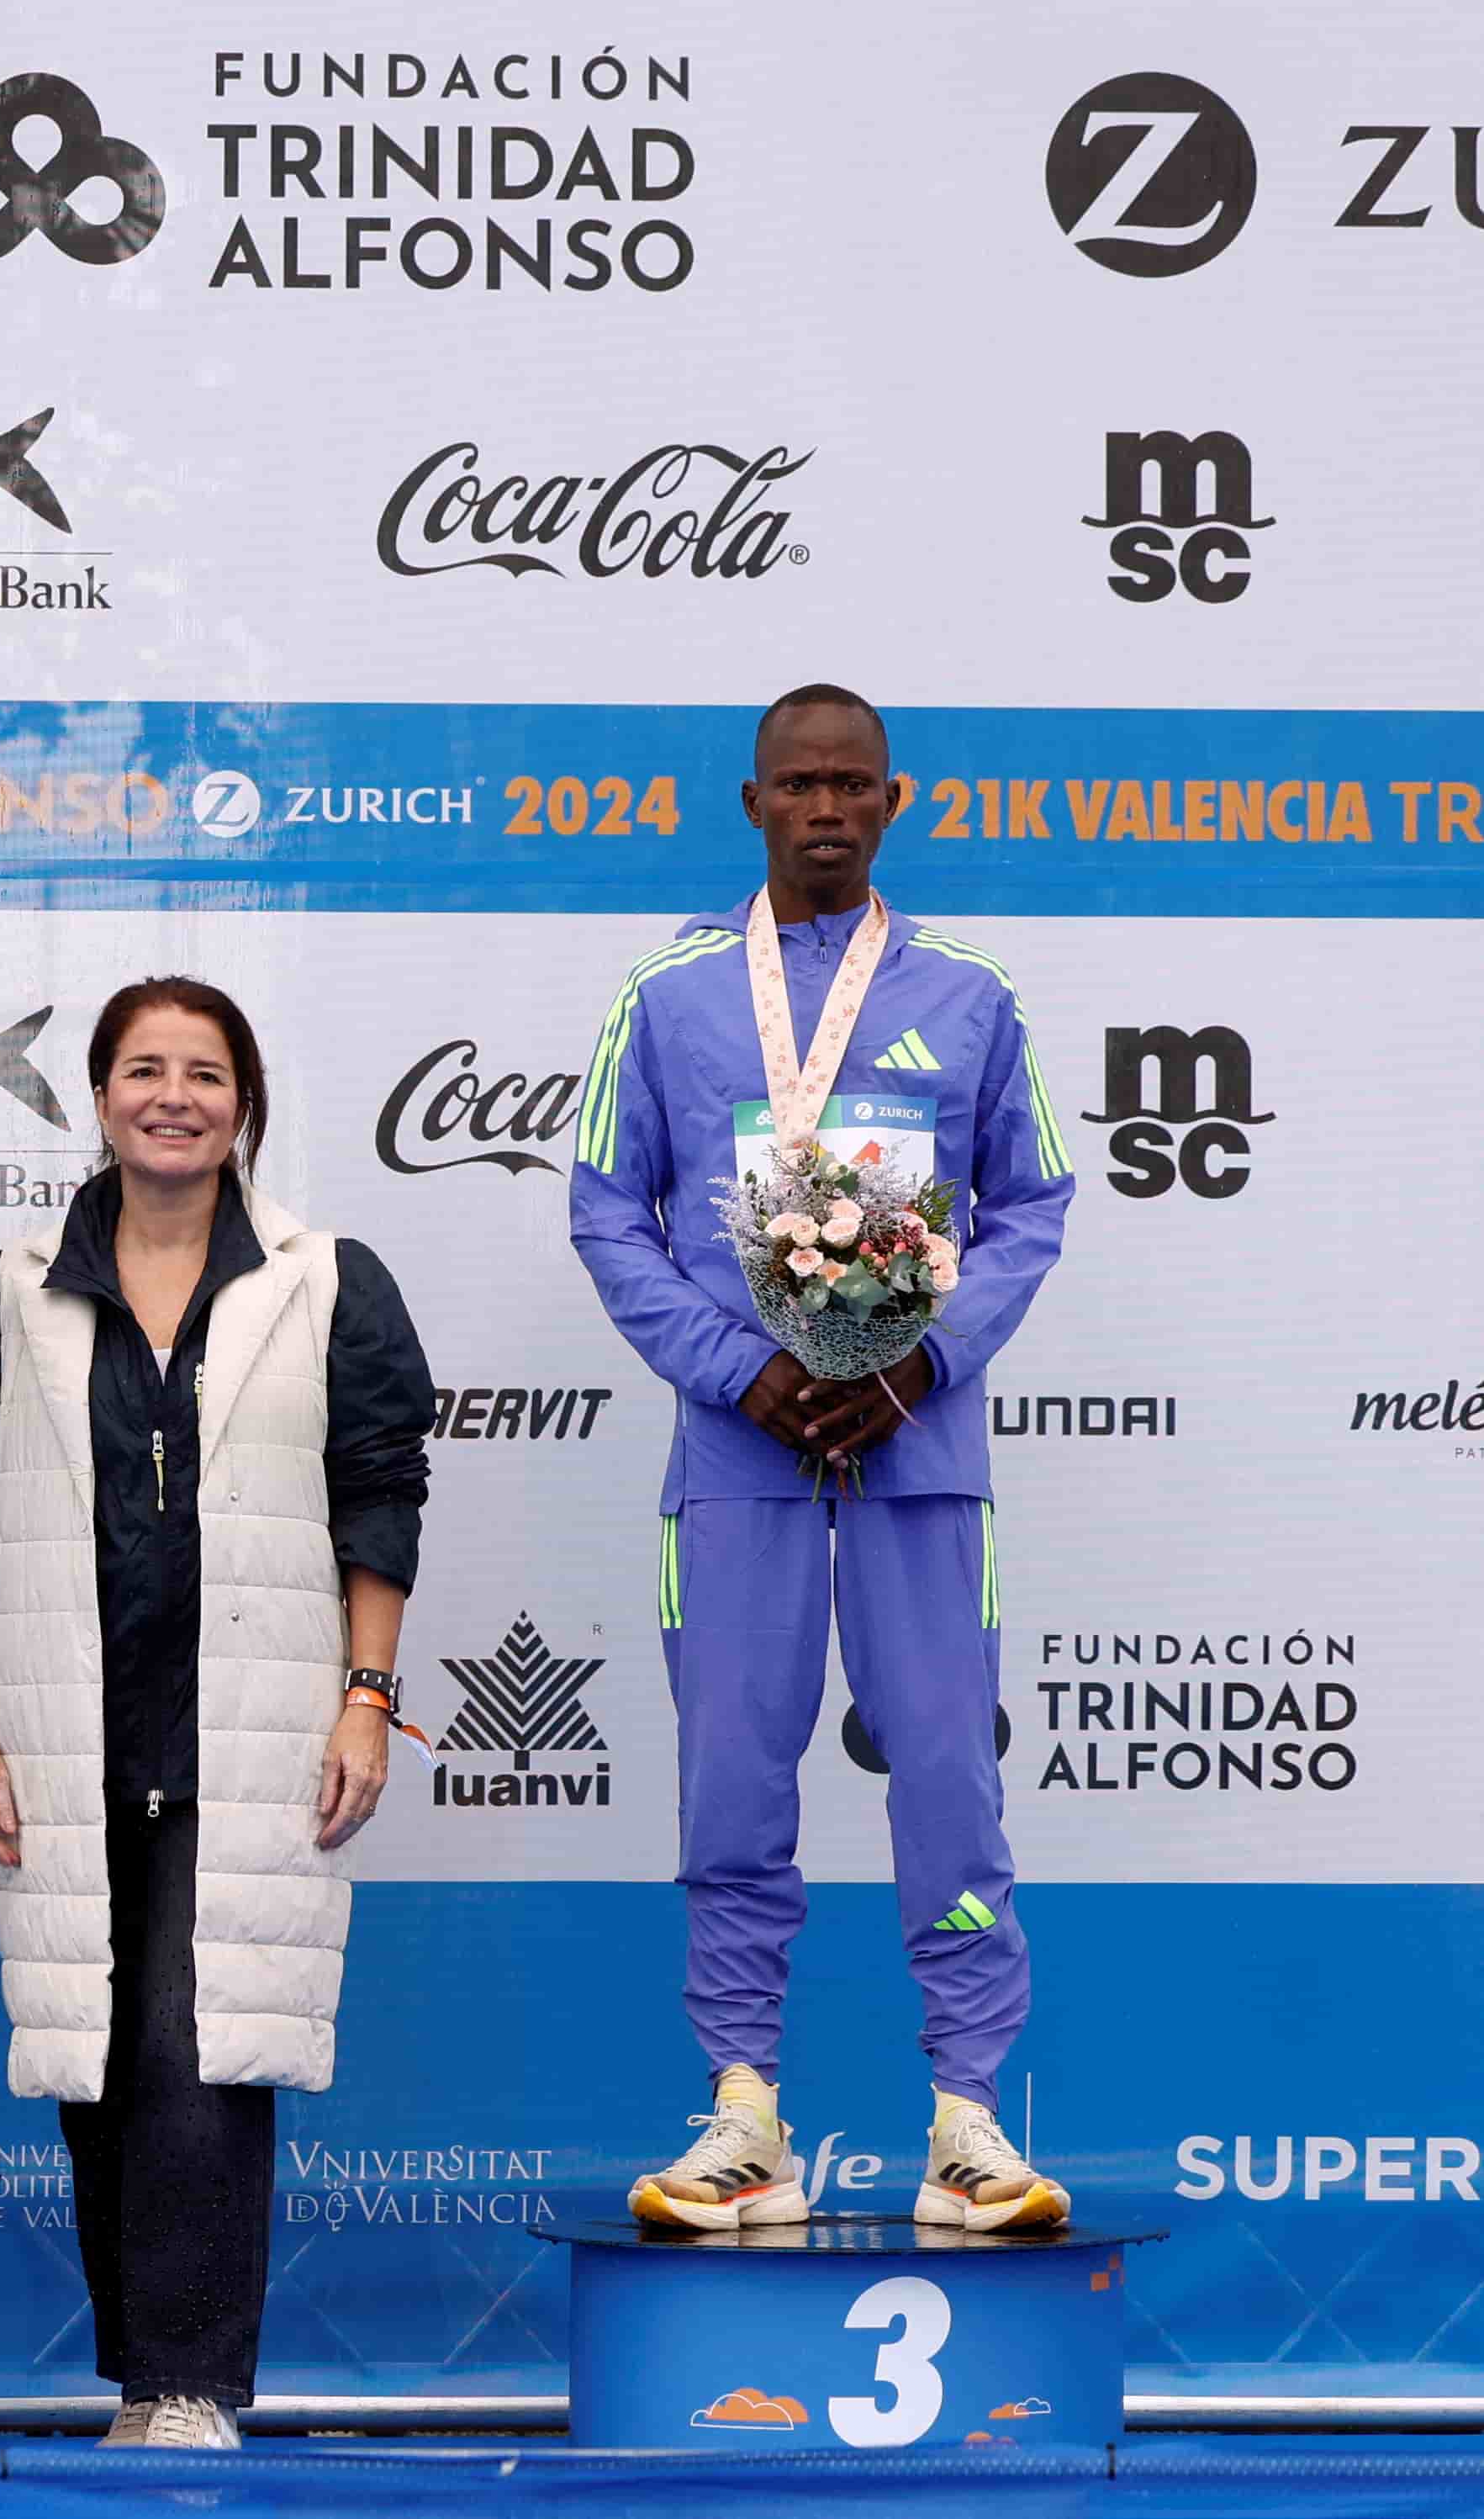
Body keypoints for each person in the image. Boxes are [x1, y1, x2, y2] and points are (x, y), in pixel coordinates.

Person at [571, 683, 1077, 2235]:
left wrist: (921, 1358)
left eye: (854, 784)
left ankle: (971, 2121)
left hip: (921, 1454)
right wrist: (745, 1369)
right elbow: (606, 1212)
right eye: (800, 785)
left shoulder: (972, 992)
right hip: (742, 1453)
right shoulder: (665, 996)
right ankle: (742, 2115)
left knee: (946, 1774)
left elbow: (1036, 1204)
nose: (828, 809)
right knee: (733, 1780)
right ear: (754, 805)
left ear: (893, 800)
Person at [0, 978, 429, 2451]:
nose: (174, 1096)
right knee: (97, 2044)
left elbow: (380, 1494)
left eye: (205, 1073)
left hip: (254, 1732)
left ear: (243, 1104)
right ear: (101, 1094)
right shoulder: (16, 1287)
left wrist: (365, 1699)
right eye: (145, 1069)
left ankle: (189, 2384)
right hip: (69, 1732)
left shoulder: (328, 1280)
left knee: (202, 2043)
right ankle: (147, 2376)